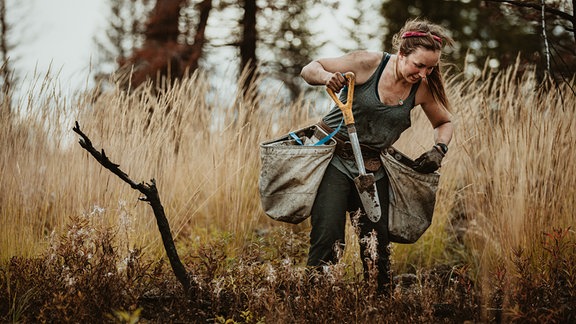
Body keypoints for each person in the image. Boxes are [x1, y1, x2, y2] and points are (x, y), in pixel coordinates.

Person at [300, 18, 454, 292]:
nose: (424, 73)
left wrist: (439, 150)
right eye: (419, 65)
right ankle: (316, 299)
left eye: (430, 68)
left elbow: (444, 122)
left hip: (372, 167)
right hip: (334, 159)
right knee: (328, 238)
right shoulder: (367, 64)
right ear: (401, 53)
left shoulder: (422, 88)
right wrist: (327, 78)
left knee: (377, 244)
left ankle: (380, 303)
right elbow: (309, 68)